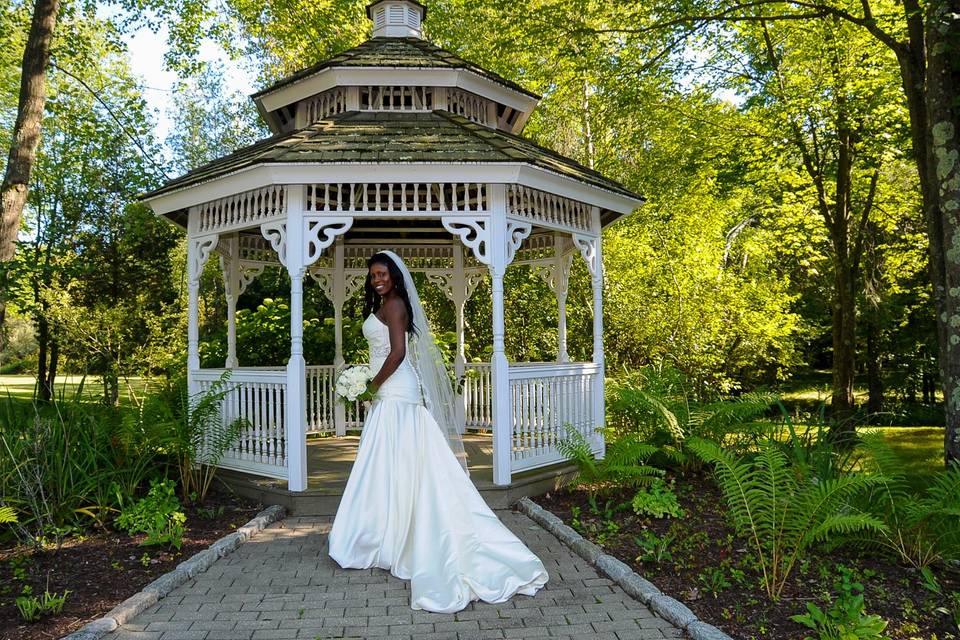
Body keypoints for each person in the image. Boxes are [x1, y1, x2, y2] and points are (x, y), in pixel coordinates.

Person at [327, 250, 549, 613]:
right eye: (373, 275)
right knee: (390, 465)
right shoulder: (387, 303)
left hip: (396, 390)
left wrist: (370, 386)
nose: (377, 279)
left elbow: (397, 353)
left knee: (402, 464)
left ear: (395, 276)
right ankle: (386, 535)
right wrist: (369, 382)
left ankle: (398, 538)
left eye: (382, 273)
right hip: (390, 390)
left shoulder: (396, 304)